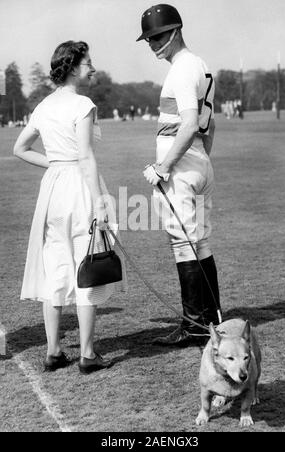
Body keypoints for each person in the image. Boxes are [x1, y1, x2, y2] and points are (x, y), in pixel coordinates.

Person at [13, 41, 125, 373]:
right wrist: (100, 203)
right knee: (86, 265)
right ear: (74, 67)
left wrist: (55, 163)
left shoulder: (43, 105)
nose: (92, 68)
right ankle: (87, 354)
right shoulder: (83, 104)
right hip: (78, 186)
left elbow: (21, 148)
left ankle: (53, 352)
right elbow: (87, 157)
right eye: (88, 63)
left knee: (57, 268)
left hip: (53, 190)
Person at [137, 4, 221, 347]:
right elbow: (208, 125)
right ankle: (212, 318)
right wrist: (200, 160)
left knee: (182, 242)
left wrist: (165, 167)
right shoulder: (199, 65)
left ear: (175, 30)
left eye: (158, 35)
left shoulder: (182, 69)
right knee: (199, 241)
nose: (154, 44)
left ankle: (195, 325)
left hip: (182, 165)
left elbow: (188, 124)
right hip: (199, 160)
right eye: (148, 39)